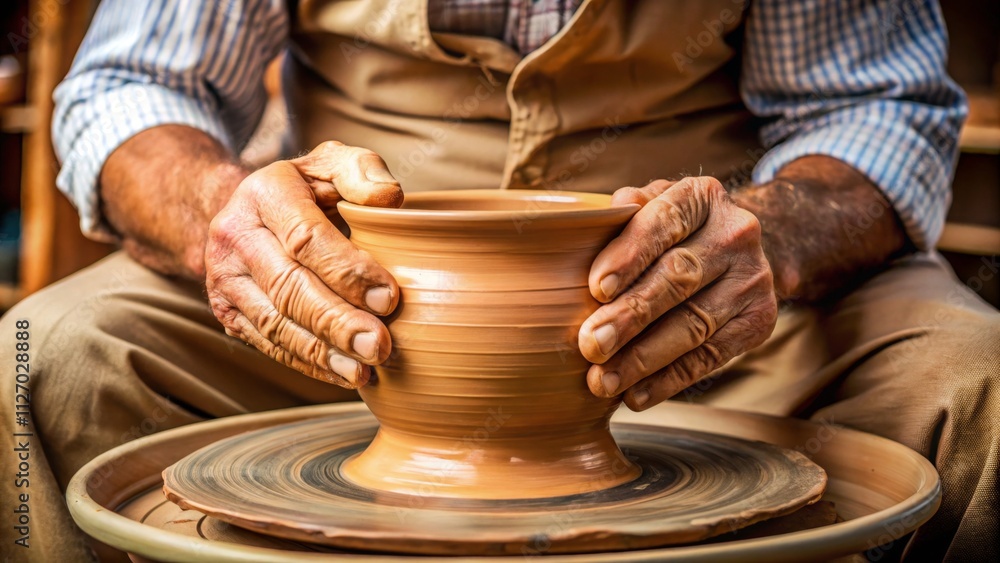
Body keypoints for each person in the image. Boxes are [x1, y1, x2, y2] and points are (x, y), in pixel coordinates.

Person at [1, 0, 997, 561]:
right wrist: (228, 218)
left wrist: (771, 239)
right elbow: (136, 87)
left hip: (707, 318)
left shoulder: (737, 273)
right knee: (32, 364)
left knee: (979, 387)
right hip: (343, 319)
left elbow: (878, 106)